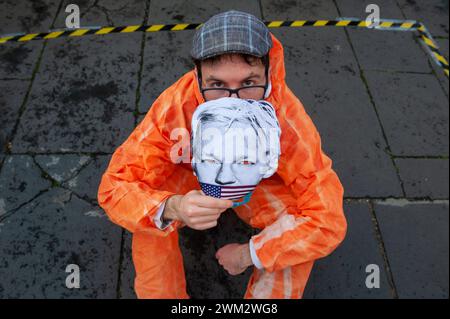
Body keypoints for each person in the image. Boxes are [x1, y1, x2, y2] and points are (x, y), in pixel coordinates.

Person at [97, 10, 347, 299]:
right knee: (150, 212)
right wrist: (173, 207)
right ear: (198, 76)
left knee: (299, 231)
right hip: (192, 183)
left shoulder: (288, 120)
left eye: (249, 83)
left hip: (257, 189)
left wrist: (251, 254)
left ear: (269, 72)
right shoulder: (175, 106)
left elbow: (327, 217)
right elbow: (114, 187)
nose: (233, 102)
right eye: (217, 86)